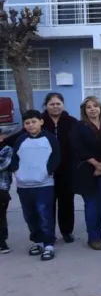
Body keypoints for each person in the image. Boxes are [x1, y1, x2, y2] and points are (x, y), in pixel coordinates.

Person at [11, 110, 61, 261]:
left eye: (33, 121)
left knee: (44, 214)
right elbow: (14, 159)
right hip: (24, 186)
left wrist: (48, 171)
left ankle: (48, 244)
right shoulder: (20, 140)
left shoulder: (50, 139)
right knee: (30, 215)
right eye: (27, 123)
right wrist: (17, 172)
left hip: (44, 185)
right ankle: (37, 241)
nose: (30, 125)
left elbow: (56, 157)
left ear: (41, 122)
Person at [70, 96, 101, 251]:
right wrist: (95, 164)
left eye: (95, 106)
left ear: (100, 108)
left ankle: (99, 232)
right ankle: (93, 237)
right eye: (89, 107)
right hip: (86, 170)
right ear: (84, 110)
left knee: (100, 204)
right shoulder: (78, 126)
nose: (93, 109)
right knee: (91, 204)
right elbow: (77, 147)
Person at [41, 93, 77, 243]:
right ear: (46, 106)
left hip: (67, 169)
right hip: (45, 170)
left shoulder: (71, 121)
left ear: (63, 105)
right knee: (48, 203)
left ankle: (66, 231)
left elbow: (82, 139)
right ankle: (49, 233)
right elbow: (21, 136)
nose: (55, 107)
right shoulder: (40, 121)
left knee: (66, 202)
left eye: (58, 104)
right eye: (52, 104)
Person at [0, 130, 12, 254]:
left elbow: (4, 165)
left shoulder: (7, 149)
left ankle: (2, 242)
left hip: (1, 188)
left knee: (1, 217)